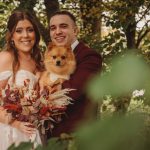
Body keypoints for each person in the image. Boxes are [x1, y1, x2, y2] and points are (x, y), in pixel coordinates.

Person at [47, 10, 102, 138]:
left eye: (63, 26)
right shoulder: (51, 57)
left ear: (75, 30)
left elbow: (72, 91)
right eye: (53, 28)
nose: (58, 31)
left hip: (75, 136)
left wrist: (44, 91)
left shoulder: (88, 56)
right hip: (51, 137)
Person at [0, 10, 43, 149]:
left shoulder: (39, 62)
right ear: (11, 35)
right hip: (11, 133)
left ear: (35, 34)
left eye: (30, 30)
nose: (25, 35)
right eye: (19, 30)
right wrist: (15, 124)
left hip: (35, 132)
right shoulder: (6, 58)